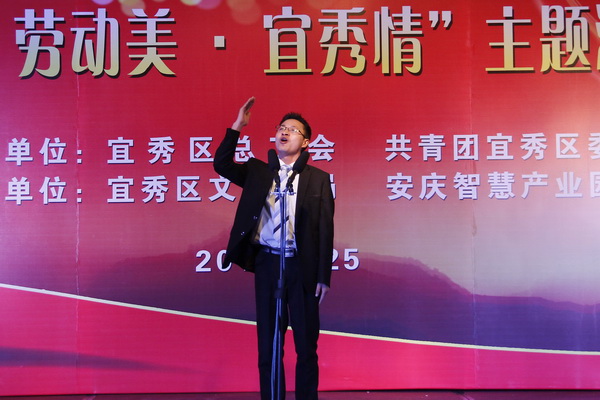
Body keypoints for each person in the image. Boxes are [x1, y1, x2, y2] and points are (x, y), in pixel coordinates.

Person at [213, 97, 334, 400]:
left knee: (306, 345)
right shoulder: (258, 171)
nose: (284, 132)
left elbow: (325, 229)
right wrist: (238, 126)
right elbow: (221, 165)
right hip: (268, 264)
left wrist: (323, 276)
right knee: (269, 343)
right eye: (281, 128)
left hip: (302, 267)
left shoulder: (318, 179)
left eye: (292, 130)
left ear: (305, 142)